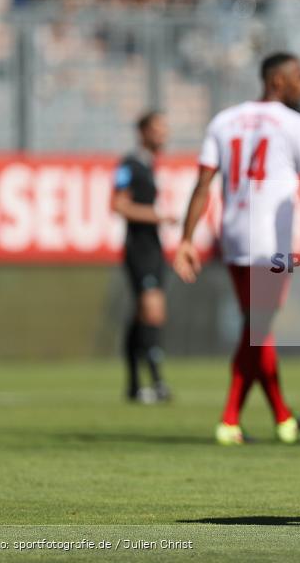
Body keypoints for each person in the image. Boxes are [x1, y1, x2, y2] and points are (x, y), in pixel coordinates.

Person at [174, 53, 300, 445]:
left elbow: (203, 185)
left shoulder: (224, 120)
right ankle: (230, 419)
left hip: (234, 235)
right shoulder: (296, 123)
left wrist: (187, 239)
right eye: (299, 77)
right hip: (272, 239)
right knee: (260, 328)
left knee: (258, 328)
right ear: (277, 81)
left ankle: (283, 416)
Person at [111, 111, 174, 404]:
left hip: (153, 247)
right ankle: (156, 382)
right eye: (158, 129)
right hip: (139, 248)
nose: (164, 135)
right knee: (152, 311)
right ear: (143, 132)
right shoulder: (130, 165)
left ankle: (135, 385)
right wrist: (157, 216)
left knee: (144, 315)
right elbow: (118, 205)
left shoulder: (147, 166)